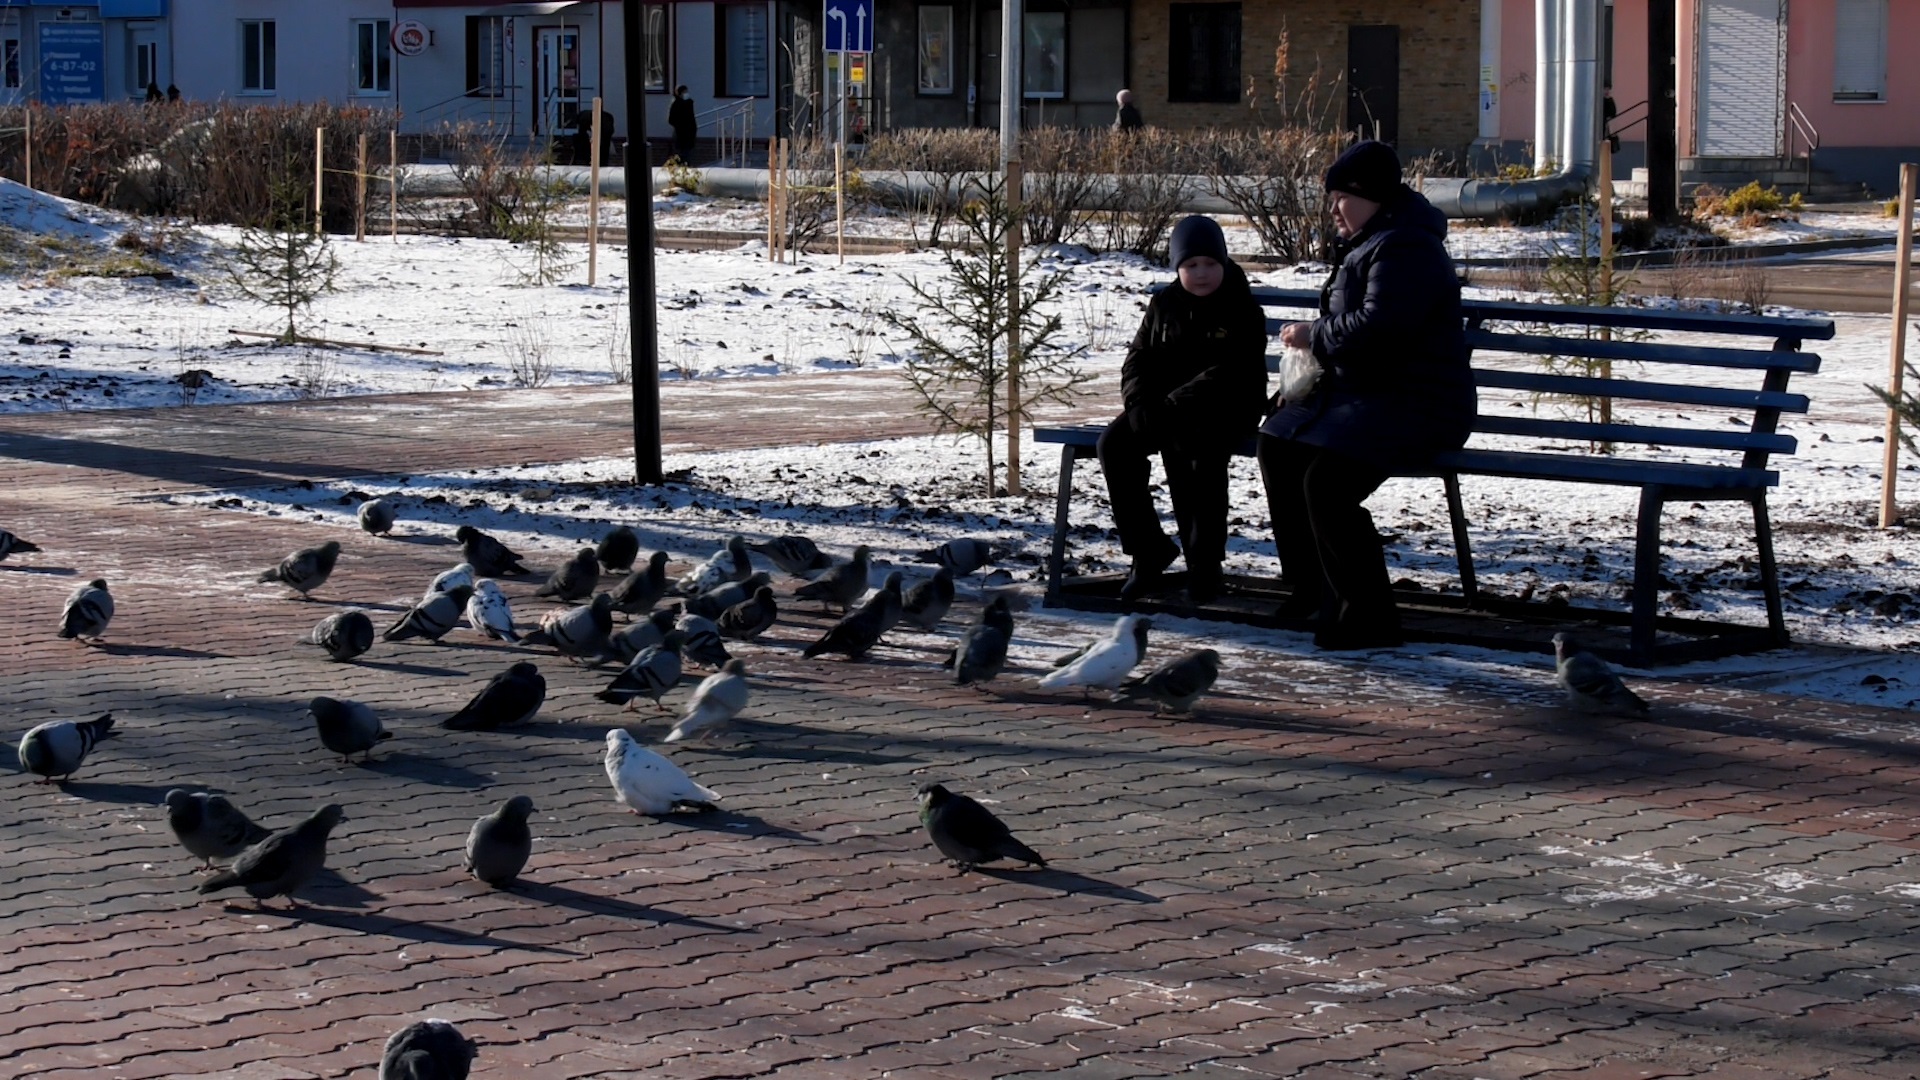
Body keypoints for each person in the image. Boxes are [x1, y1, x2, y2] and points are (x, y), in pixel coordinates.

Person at [1257, 140, 1475, 650]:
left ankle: (1369, 613)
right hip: (1368, 397)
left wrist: (1315, 335)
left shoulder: (1407, 246)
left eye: (1341, 197)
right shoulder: (1373, 242)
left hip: (1420, 404)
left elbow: (1384, 326)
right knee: (1278, 443)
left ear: (1371, 196)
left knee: (1326, 484)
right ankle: (1316, 586)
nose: (1333, 208)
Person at [1099, 215, 1268, 605]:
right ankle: (1149, 551)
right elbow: (1138, 359)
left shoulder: (1241, 308)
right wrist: (1140, 402)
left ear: (1224, 263)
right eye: (1191, 265)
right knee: (1116, 445)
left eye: (1211, 263)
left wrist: (1171, 405)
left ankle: (1204, 563)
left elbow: (1231, 371)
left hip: (1223, 408)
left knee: (1195, 452)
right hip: (1162, 407)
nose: (1202, 273)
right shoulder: (1164, 304)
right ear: (1177, 267)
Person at [667, 85, 697, 162]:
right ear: (680, 93)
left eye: (687, 91)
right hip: (680, 135)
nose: (686, 93)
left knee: (687, 155)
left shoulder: (689, 103)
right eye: (684, 92)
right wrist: (681, 126)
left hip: (689, 134)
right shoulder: (676, 104)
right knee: (681, 156)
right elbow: (671, 120)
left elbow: (692, 119)